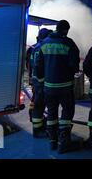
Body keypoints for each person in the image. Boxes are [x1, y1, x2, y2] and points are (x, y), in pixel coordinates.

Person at [35, 20, 80, 154]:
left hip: (49, 88)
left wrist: (43, 81)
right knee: (67, 112)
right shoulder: (69, 43)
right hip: (65, 87)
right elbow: (74, 65)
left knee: (52, 113)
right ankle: (63, 142)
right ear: (66, 30)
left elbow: (38, 66)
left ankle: (52, 141)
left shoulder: (44, 43)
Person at [30, 28, 53, 138]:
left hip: (36, 81)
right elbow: (40, 66)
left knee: (38, 106)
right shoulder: (42, 48)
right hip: (41, 82)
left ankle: (37, 128)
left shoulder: (35, 47)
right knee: (42, 106)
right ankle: (42, 129)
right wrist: (42, 80)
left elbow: (31, 64)